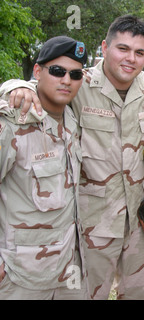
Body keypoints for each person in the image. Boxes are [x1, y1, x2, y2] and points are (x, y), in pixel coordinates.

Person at [1, 15, 144, 300]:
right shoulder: (80, 83)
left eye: (139, 52)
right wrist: (16, 87)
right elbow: (39, 87)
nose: (131, 59)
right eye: (122, 49)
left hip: (140, 223)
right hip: (92, 227)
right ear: (104, 47)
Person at [0, 36, 87, 299]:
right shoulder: (13, 123)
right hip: (21, 276)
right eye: (58, 71)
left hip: (69, 269)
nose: (66, 80)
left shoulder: (71, 118)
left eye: (75, 74)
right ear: (37, 71)